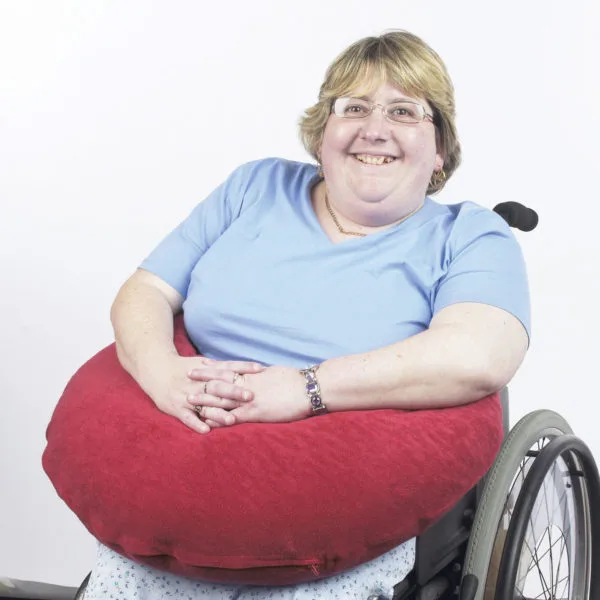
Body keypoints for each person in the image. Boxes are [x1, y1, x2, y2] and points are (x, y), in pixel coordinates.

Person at [82, 30, 530, 600]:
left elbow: (479, 354)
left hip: (340, 505)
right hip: (189, 462)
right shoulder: (255, 186)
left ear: (440, 147)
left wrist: (305, 388)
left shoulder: (469, 236)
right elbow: (144, 291)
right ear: (322, 133)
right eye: (354, 108)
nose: (376, 128)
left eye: (403, 111)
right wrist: (161, 374)